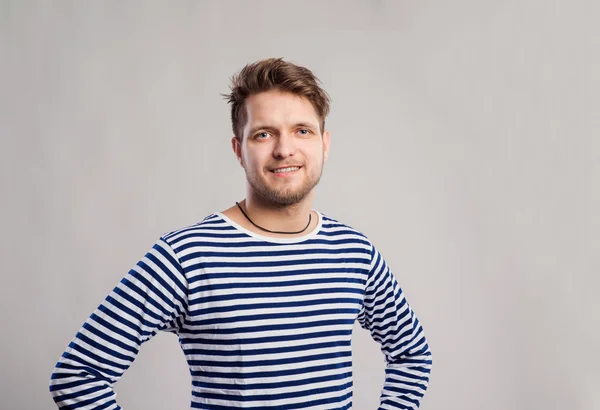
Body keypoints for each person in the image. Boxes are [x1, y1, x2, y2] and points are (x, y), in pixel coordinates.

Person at [49, 57, 433, 409]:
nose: (285, 149)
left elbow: (411, 354)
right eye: (263, 134)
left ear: (324, 144)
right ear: (238, 149)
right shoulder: (187, 256)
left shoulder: (354, 252)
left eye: (302, 131)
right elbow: (78, 375)